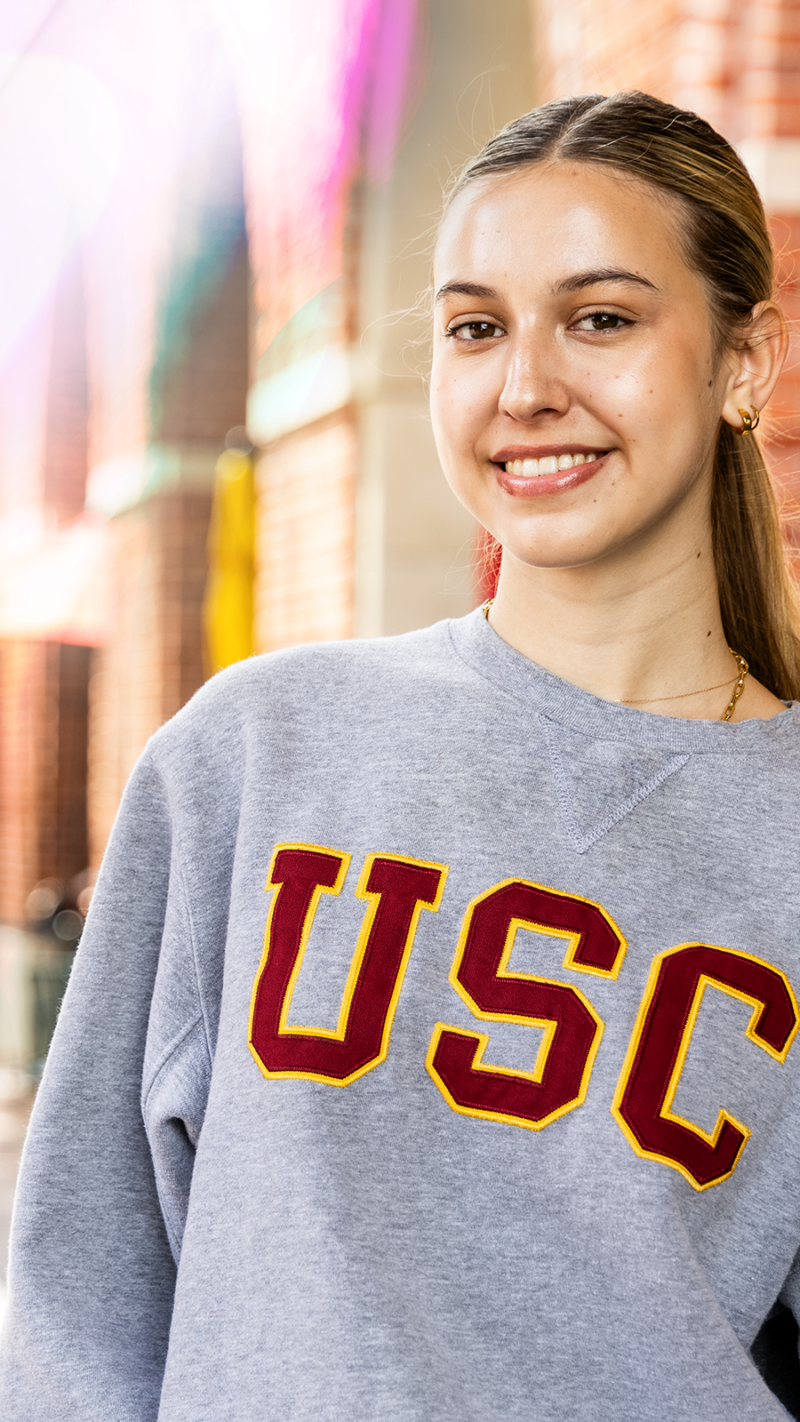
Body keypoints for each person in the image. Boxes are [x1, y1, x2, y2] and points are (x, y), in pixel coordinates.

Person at [2, 89, 800, 1421]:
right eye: (475, 327)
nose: (526, 385)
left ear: (745, 362)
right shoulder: (258, 755)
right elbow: (83, 1303)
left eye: (601, 317)